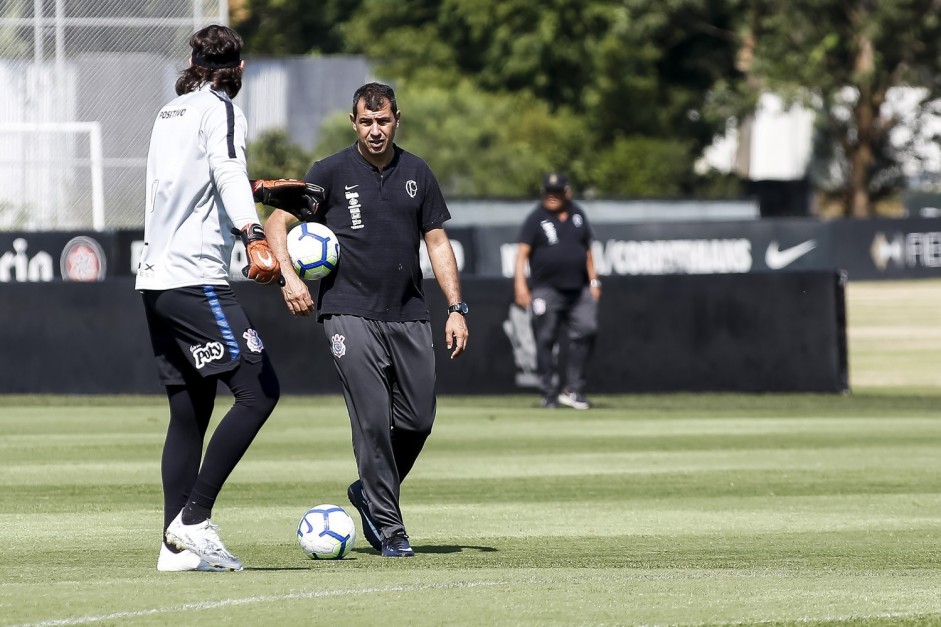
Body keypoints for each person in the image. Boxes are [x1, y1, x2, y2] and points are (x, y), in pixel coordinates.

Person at [265, 82, 468, 558]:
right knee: (373, 422)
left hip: (410, 313)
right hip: (348, 312)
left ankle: (367, 491)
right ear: (353, 123)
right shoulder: (330, 171)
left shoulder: (418, 171)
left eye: (384, 121)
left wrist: (456, 308)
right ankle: (388, 526)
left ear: (397, 119)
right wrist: (289, 279)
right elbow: (277, 222)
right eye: (366, 122)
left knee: (417, 421)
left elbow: (437, 243)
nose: (375, 131)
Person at [136, 24, 282, 572]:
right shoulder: (221, 109)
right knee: (258, 390)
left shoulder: (169, 111)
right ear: (239, 69)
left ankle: (173, 547)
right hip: (195, 278)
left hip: (154, 280)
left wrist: (258, 189)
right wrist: (253, 232)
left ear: (194, 63)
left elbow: (191, 183)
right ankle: (194, 519)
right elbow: (223, 170)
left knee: (190, 412)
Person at [514, 172, 601, 410]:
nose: (551, 197)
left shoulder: (577, 215)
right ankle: (548, 394)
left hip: (578, 289)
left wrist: (594, 281)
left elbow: (587, 250)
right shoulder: (536, 218)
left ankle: (573, 389)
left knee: (587, 330)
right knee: (545, 340)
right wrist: (520, 285)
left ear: (567, 192)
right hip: (546, 289)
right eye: (548, 192)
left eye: (557, 192)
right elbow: (522, 253)